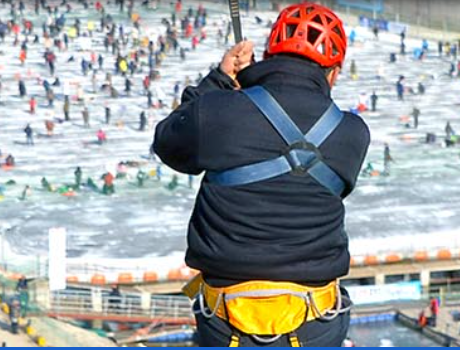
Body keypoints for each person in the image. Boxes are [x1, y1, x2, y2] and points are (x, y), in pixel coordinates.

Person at [152, 4, 368, 346]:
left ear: (269, 54)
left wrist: (221, 83)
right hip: (316, 320)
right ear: (334, 73)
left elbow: (167, 142)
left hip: (226, 320)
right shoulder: (353, 134)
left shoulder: (219, 111)